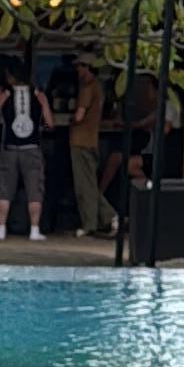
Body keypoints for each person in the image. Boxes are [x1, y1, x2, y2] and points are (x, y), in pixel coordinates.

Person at [0, 63, 56, 238]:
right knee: (34, 190)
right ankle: (34, 229)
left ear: (12, 76)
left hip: (9, 149)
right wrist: (45, 105)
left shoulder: (4, 95)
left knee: (4, 188)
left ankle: (1, 229)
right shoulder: (38, 94)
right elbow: (50, 124)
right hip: (32, 148)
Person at [67, 55, 111, 234]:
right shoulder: (98, 87)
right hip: (92, 139)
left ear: (87, 67)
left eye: (79, 66)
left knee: (84, 185)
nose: (77, 70)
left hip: (80, 140)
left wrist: (70, 121)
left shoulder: (87, 87)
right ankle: (108, 216)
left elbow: (79, 115)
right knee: (90, 183)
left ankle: (91, 223)